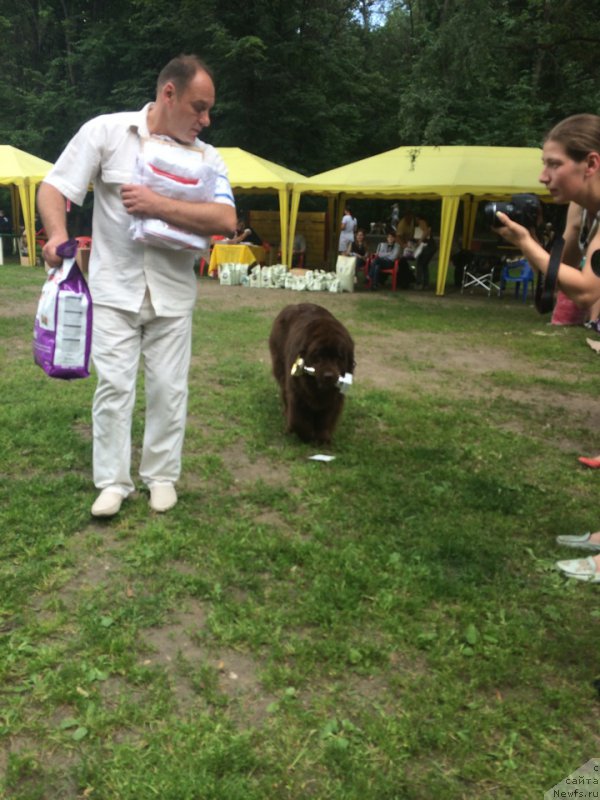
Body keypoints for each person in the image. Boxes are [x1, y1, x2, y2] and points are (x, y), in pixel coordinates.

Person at [37, 54, 237, 518]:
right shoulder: (107, 132)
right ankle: (112, 483)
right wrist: (58, 236)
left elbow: (226, 219)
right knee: (113, 388)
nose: (206, 120)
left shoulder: (208, 159)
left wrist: (156, 204)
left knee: (169, 389)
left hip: (173, 294)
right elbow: (54, 187)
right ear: (169, 94)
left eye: (209, 110)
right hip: (113, 290)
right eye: (199, 107)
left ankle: (161, 477)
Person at [495, 113, 600, 582]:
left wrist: (526, 242)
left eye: (554, 164)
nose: (543, 176)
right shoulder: (590, 208)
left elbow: (586, 289)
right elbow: (571, 260)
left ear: (590, 163)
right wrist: (571, 223)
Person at [413, 216, 437, 289]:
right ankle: (425, 284)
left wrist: (420, 241)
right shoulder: (426, 224)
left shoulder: (421, 222)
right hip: (431, 246)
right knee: (424, 265)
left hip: (428, 246)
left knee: (420, 264)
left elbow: (425, 231)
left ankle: (419, 283)